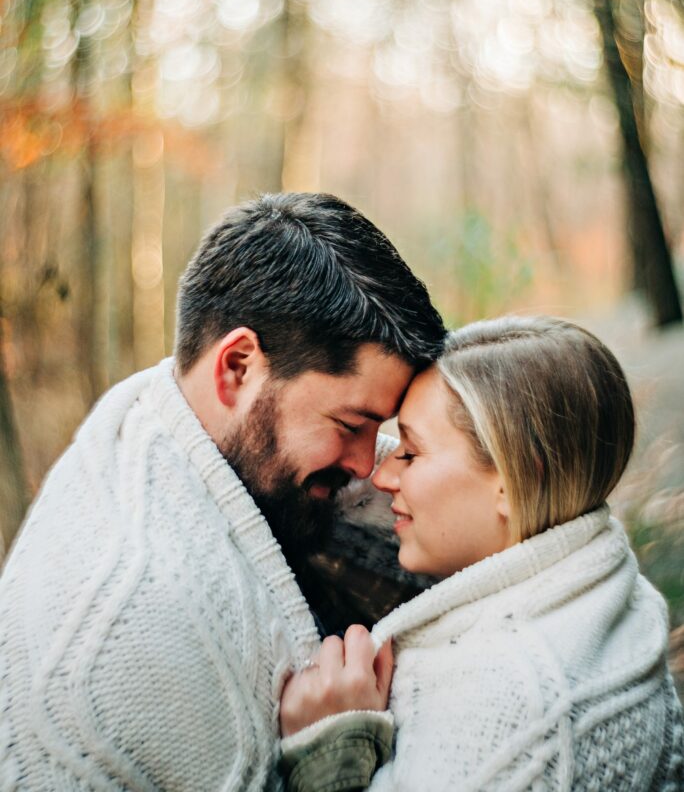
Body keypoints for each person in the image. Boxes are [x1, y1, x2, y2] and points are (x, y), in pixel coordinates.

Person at [0, 192, 445, 792]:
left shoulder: (191, 430)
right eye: (349, 425)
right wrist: (330, 760)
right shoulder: (136, 622)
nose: (368, 465)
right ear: (236, 366)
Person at [279, 316, 684, 792]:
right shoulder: (601, 600)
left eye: (410, 452)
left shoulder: (513, 717)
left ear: (512, 482)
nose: (382, 474)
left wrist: (328, 756)